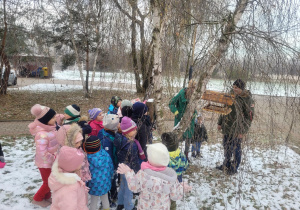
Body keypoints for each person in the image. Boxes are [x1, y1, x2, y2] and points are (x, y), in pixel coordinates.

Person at [117, 143, 192, 210]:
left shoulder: (143, 174)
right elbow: (175, 196)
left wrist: (128, 172)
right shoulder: (171, 178)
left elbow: (134, 187)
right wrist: (182, 188)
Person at [216, 79, 254, 175]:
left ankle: (234, 167)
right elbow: (225, 108)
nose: (234, 89)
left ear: (241, 88)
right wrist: (220, 123)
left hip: (237, 129)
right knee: (226, 146)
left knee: (236, 149)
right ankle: (226, 164)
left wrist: (242, 131)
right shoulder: (230, 95)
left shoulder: (247, 99)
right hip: (227, 127)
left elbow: (249, 118)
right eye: (233, 87)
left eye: (236, 88)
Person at [28, 104, 59, 207]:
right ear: (46, 119)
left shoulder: (50, 129)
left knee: (51, 181)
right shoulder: (41, 134)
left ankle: (46, 196)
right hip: (45, 163)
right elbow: (42, 153)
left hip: (51, 161)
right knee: (48, 182)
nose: (55, 119)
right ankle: (37, 199)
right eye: (53, 117)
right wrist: (53, 157)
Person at [115, 116, 142, 210]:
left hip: (122, 167)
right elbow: (134, 160)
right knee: (129, 188)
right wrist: (137, 170)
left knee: (122, 186)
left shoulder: (119, 138)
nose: (136, 131)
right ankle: (129, 206)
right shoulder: (132, 145)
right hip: (129, 170)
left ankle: (120, 203)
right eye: (133, 130)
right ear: (127, 132)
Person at [82, 136, 114, 210]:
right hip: (105, 182)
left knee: (93, 201)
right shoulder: (105, 154)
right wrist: (110, 176)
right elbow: (111, 167)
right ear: (99, 146)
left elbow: (85, 173)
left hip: (94, 185)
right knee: (105, 198)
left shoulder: (86, 159)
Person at [169, 80, 197, 162]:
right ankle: (175, 155)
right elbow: (170, 103)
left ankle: (186, 155)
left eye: (195, 88)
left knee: (188, 138)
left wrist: (194, 115)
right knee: (178, 138)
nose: (193, 90)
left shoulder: (194, 97)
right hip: (179, 120)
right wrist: (176, 112)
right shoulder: (180, 95)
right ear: (189, 87)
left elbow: (194, 109)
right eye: (192, 88)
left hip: (189, 121)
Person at [161, 132, 189, 210]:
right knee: (173, 200)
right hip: (177, 184)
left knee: (163, 200)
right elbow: (186, 166)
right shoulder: (182, 155)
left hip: (165, 184)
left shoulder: (163, 158)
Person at [98, 114, 120, 207]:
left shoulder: (105, 132)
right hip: (108, 164)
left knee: (113, 180)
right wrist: (112, 166)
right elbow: (108, 154)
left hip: (112, 163)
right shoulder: (107, 139)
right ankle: (107, 199)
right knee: (108, 181)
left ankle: (114, 194)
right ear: (113, 126)